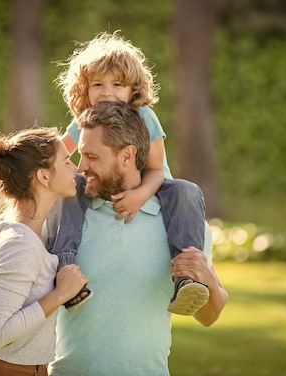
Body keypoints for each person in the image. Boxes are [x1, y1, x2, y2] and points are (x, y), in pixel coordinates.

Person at [45, 101, 228, 375]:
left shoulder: (180, 222)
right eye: (80, 155)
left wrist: (208, 278)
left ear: (127, 156)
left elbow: (208, 316)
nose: (81, 167)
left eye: (92, 157)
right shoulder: (62, 219)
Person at [52, 31, 213, 314]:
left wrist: (140, 195)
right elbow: (58, 152)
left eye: (117, 84)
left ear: (132, 89)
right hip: (100, 183)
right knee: (72, 187)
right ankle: (65, 267)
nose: (107, 92)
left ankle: (186, 278)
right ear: (85, 89)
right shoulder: (87, 121)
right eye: (97, 84)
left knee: (186, 190)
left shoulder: (145, 117)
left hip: (154, 185)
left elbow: (155, 170)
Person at [0, 127, 89, 376]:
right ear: (44, 177)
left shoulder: (13, 227)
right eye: (67, 161)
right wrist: (60, 294)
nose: (76, 168)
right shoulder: (21, 243)